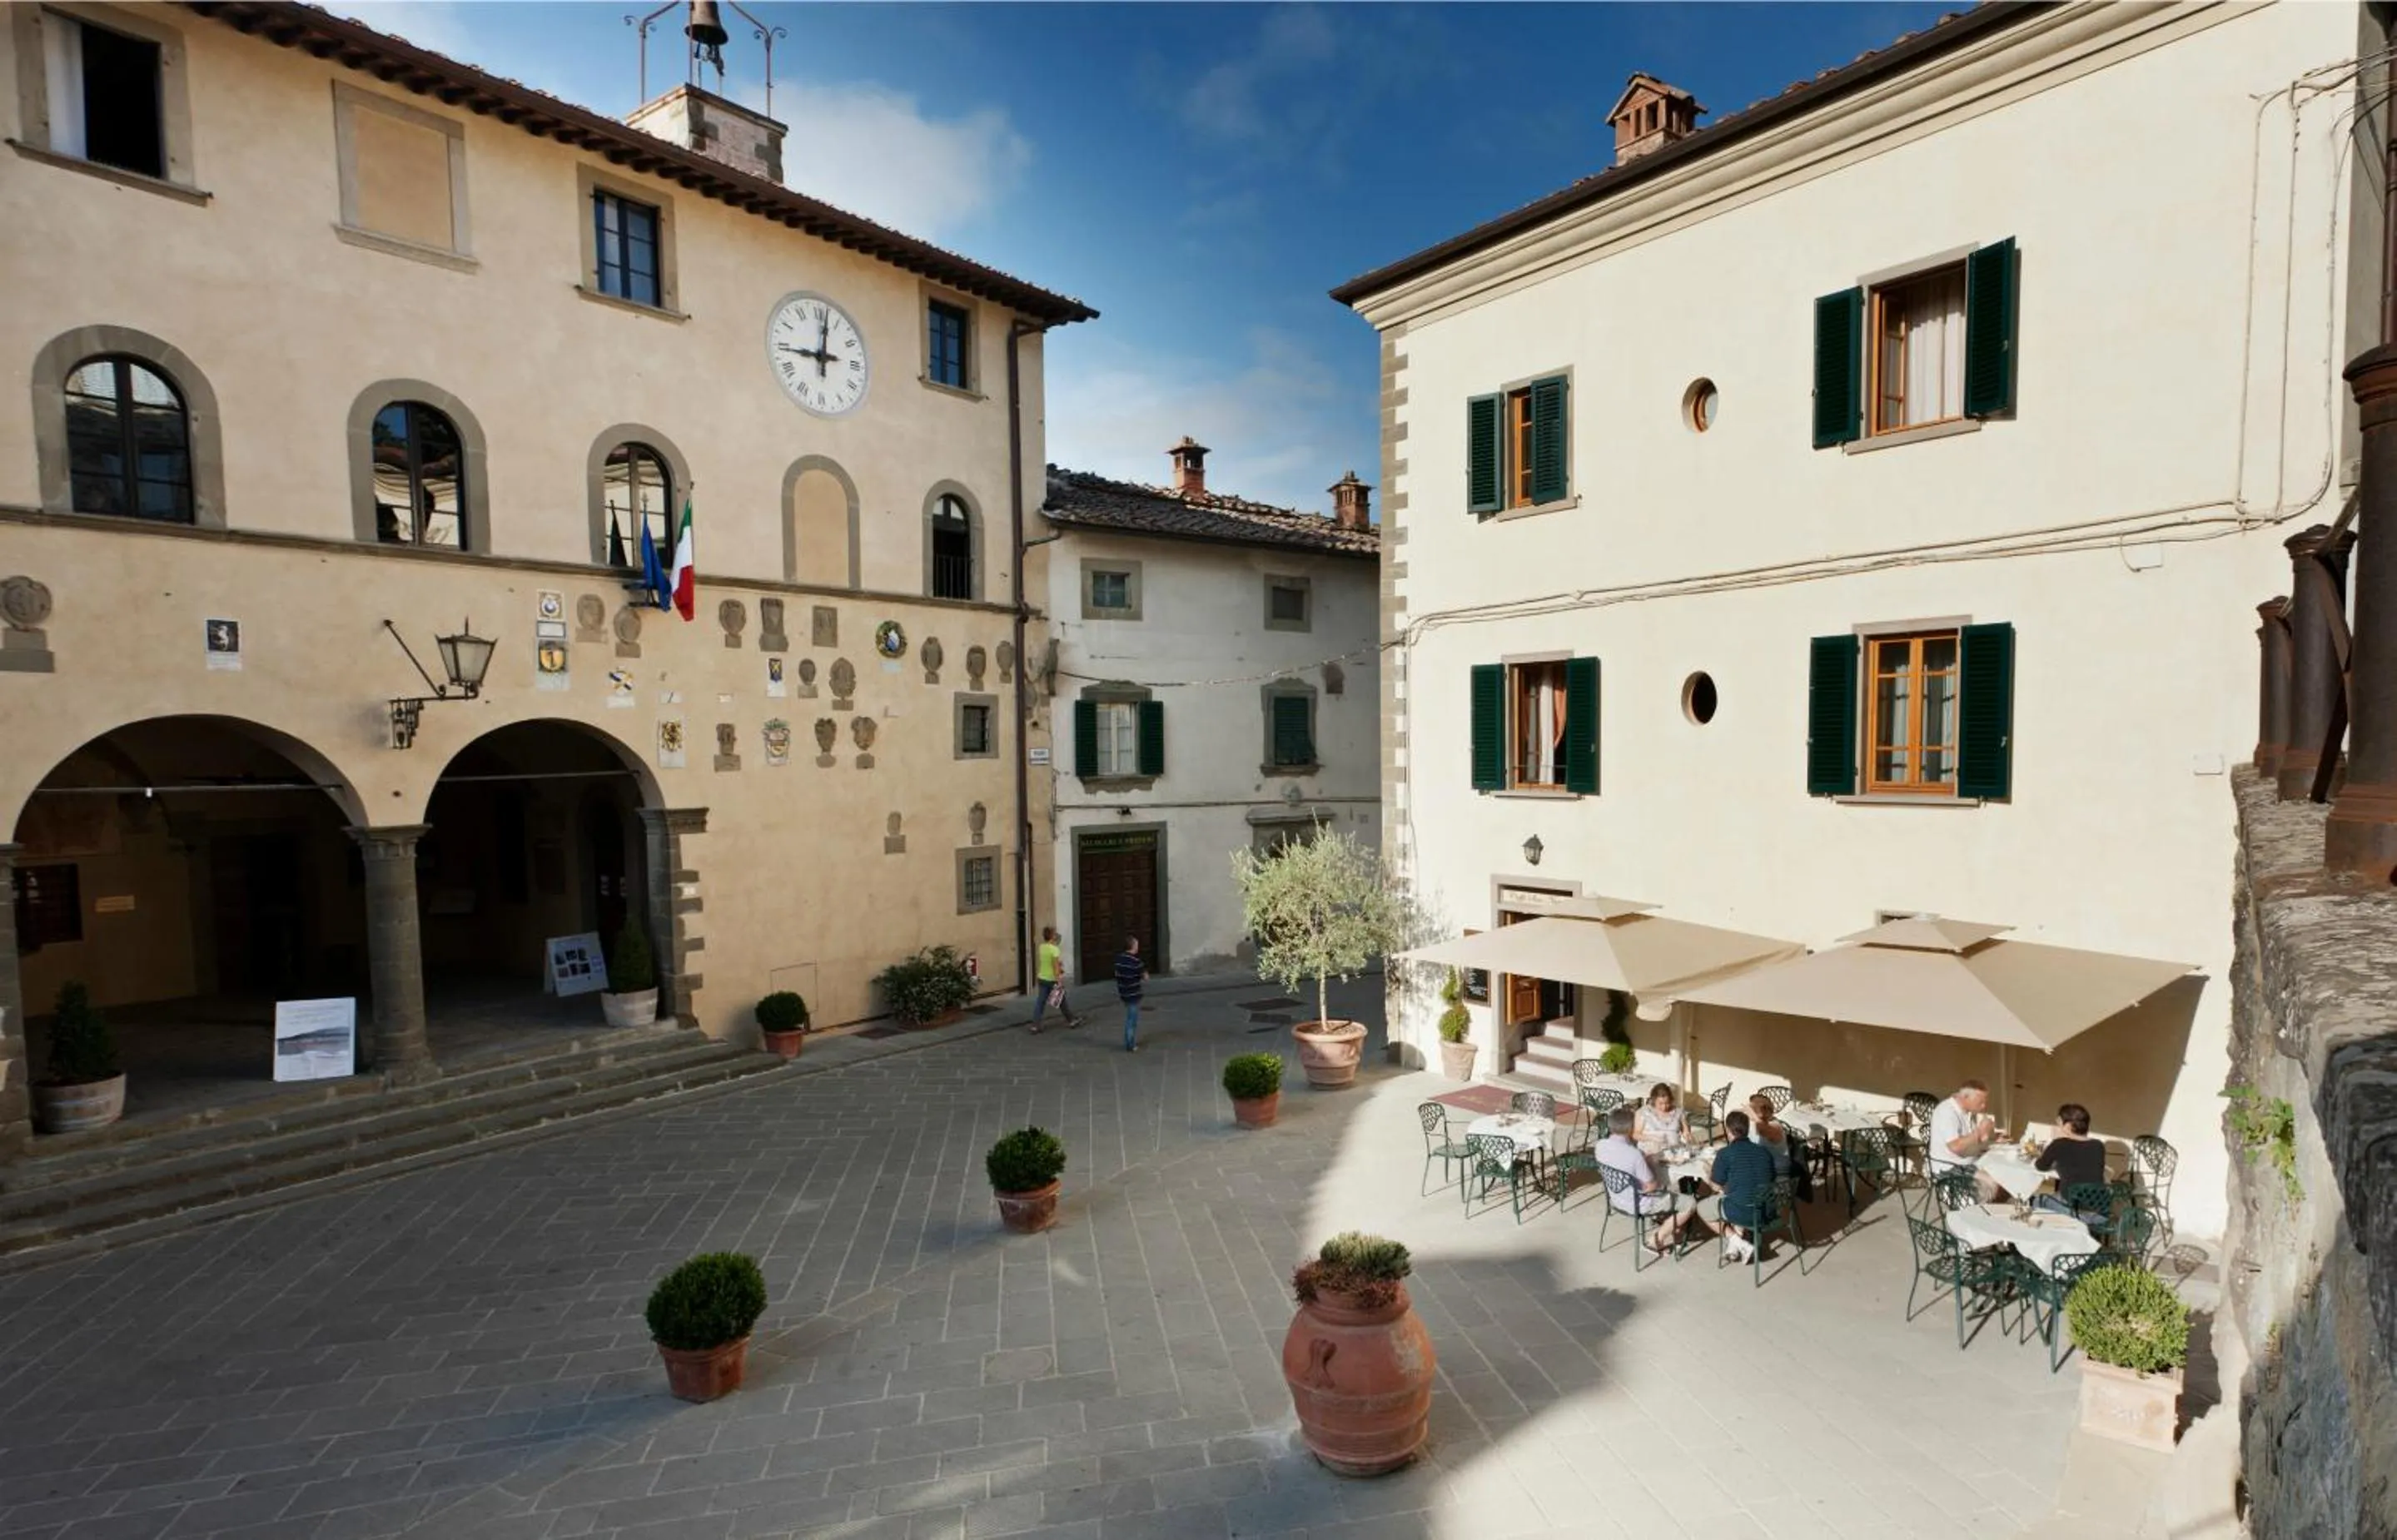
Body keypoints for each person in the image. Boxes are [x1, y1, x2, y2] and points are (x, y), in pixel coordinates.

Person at [1597, 1106, 1703, 1254]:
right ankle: (1655, 1240)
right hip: (1638, 1203)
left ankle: (1666, 1221)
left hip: (1615, 1198)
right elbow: (1652, 1185)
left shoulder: (1600, 1146)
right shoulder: (1634, 1155)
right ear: (1630, 1128)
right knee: (1690, 1203)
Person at [1709, 1110, 1779, 1263]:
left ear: (1728, 1131)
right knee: (1740, 1193)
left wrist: (1709, 1172)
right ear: (1748, 1129)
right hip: (1766, 1210)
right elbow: (1771, 1179)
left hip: (1745, 1212)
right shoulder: (1764, 1152)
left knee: (1704, 1208)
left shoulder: (1725, 1153)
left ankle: (1740, 1243)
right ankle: (1734, 1248)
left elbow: (1715, 1186)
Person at [1928, 1078, 2003, 1201]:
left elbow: (1971, 1140)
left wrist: (1992, 1140)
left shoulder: (1968, 1112)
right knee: (1991, 1184)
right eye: (1980, 1102)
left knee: (2003, 1175)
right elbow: (1955, 1146)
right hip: (1949, 1169)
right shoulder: (1947, 1112)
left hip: (1967, 1163)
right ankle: (1976, 1214)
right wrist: (1979, 1132)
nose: (1984, 1106)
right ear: (1965, 1097)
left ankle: (1992, 1211)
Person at [2032, 1102, 2108, 1217]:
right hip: (2100, 1212)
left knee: (2037, 1200)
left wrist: (2056, 1140)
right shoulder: (2098, 1145)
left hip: (2075, 1211)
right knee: (2058, 1195)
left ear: (2067, 1126)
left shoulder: (2059, 1144)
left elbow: (2041, 1166)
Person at [1747, 1095, 1813, 1202]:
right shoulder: (1754, 1125)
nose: (1759, 1109)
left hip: (1777, 1182)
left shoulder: (1775, 1127)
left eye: (1763, 1107)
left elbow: (1763, 1129)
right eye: (1755, 1106)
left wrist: (1753, 1114)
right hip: (1762, 1174)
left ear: (1770, 1111)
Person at [1031, 926, 1081, 1032]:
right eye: (1054, 934)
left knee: (1041, 1002)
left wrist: (1058, 963)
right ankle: (1071, 1020)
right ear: (1052, 936)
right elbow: (1055, 967)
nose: (1056, 935)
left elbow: (1047, 961)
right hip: (1051, 979)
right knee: (1062, 1000)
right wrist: (1059, 980)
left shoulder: (1042, 947)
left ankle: (1035, 1025)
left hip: (1042, 977)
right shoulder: (1055, 950)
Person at [1114, 934, 1146, 1052]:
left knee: (1130, 1017)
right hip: (1133, 993)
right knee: (1131, 1020)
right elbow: (1145, 976)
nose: (1138, 947)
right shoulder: (1136, 962)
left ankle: (1130, 1042)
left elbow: (1117, 972)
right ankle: (1130, 1044)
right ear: (1133, 946)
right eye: (1137, 945)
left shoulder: (1119, 959)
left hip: (1123, 992)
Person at [1634, 1084, 1687, 1154]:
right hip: (1650, 1153)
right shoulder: (1644, 1112)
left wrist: (1687, 1135)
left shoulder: (1678, 1112)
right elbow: (1635, 1135)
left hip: (1674, 1153)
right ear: (1653, 1100)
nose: (1664, 1107)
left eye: (1667, 1103)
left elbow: (1686, 1131)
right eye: (1660, 1103)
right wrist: (1651, 1138)